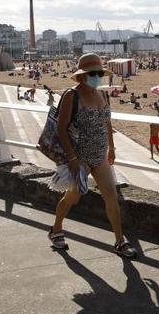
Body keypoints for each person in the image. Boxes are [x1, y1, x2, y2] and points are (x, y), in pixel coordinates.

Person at [46, 54, 137, 258]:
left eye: (99, 73)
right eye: (92, 73)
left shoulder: (103, 95)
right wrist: (71, 159)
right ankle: (56, 228)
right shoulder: (72, 95)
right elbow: (61, 129)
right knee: (74, 197)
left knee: (111, 197)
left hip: (100, 155)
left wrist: (112, 149)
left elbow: (107, 123)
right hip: (80, 157)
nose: (96, 76)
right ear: (82, 75)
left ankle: (120, 241)